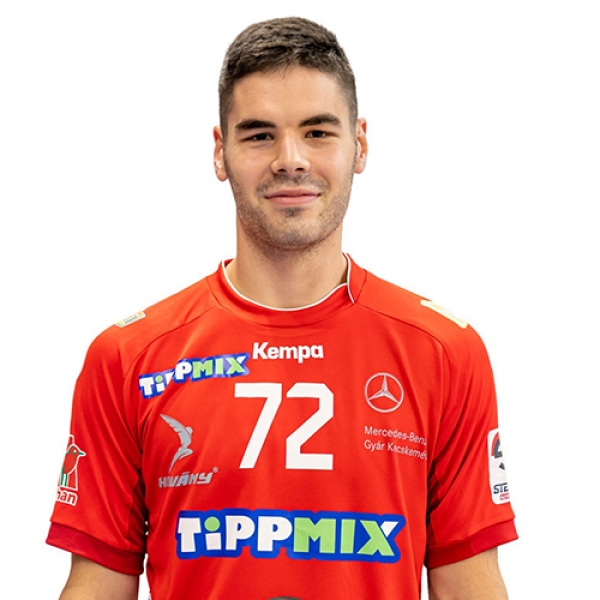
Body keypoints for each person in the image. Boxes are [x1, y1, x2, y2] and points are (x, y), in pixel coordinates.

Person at [47, 16, 517, 600]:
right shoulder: (128, 357)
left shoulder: (443, 352)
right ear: (220, 152)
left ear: (360, 144)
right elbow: (97, 583)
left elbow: (470, 583)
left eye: (317, 132)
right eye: (259, 135)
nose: (290, 160)